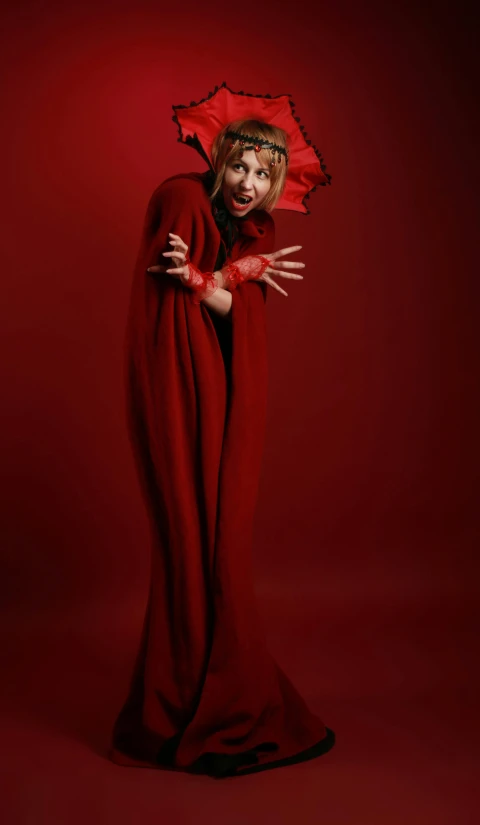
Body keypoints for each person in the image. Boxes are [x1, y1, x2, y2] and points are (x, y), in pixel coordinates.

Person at [110, 84, 334, 778]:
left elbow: (235, 315)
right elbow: (171, 297)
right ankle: (175, 705)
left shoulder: (260, 228)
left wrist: (226, 276)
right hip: (179, 390)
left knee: (221, 542)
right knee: (189, 539)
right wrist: (216, 277)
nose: (248, 183)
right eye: (241, 165)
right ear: (220, 156)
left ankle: (228, 690)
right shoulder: (181, 196)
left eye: (264, 174)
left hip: (227, 398)